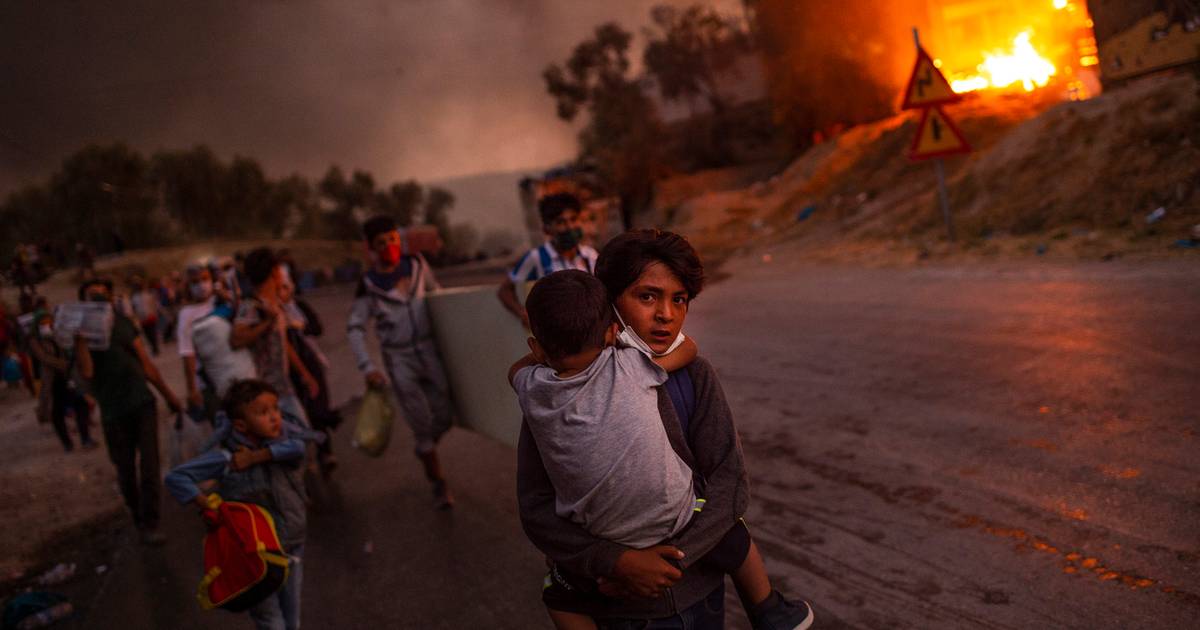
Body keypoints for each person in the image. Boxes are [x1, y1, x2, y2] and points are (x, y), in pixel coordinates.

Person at [517, 229, 814, 629]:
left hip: (701, 597)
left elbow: (728, 485)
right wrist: (617, 562)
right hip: (620, 614)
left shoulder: (694, 377)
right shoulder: (555, 401)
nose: (666, 315)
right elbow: (537, 509)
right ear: (608, 306)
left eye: (679, 300)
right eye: (647, 296)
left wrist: (667, 563)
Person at [165, 379, 313, 630]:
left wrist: (256, 457)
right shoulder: (227, 458)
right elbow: (176, 477)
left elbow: (299, 446)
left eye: (275, 409)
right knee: (271, 621)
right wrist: (206, 504)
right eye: (263, 413)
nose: (275, 418)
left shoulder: (284, 443)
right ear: (240, 424)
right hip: (254, 555)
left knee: (291, 617)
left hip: (291, 544)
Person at [347, 215, 456, 507]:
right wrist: (367, 367)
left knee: (445, 411)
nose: (389, 246)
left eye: (393, 239)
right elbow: (355, 328)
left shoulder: (418, 265)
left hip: (429, 349)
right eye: (381, 243)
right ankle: (438, 482)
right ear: (371, 248)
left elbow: (438, 298)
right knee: (419, 419)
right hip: (399, 357)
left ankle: (426, 447)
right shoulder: (369, 285)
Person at [76, 278, 183, 545]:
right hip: (113, 411)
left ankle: (151, 522)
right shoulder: (80, 337)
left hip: (141, 402)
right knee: (125, 469)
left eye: (102, 296)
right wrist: (80, 341)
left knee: (150, 463)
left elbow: (145, 363)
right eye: (92, 297)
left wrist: (168, 395)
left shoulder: (123, 324)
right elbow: (87, 372)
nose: (98, 302)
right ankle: (138, 514)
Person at [231, 248, 319, 429]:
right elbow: (237, 339)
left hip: (283, 386)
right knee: (298, 438)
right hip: (263, 390)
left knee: (299, 436)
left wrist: (304, 373)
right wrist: (267, 322)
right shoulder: (251, 306)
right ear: (274, 272)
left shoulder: (275, 304)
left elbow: (282, 342)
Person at [498, 192, 599, 327]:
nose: (569, 227)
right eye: (561, 222)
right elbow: (505, 290)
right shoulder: (537, 257)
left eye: (573, 219)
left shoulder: (590, 256)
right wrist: (523, 313)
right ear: (547, 228)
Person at [280, 276, 340, 475]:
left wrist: (300, 326)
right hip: (292, 370)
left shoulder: (299, 307)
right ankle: (310, 457)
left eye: (285, 287)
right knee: (301, 413)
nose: (282, 292)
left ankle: (326, 452)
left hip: (311, 361)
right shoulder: (276, 314)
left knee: (318, 407)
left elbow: (317, 328)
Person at [27, 309, 97, 452]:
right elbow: (43, 357)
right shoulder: (35, 340)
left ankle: (86, 439)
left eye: (49, 322)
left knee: (81, 405)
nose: (47, 325)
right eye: (43, 323)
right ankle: (67, 444)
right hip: (52, 381)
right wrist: (63, 364)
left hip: (70, 377)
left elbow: (71, 348)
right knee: (56, 412)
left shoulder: (60, 334)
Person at [177, 264, 224, 424]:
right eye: (195, 282)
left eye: (205, 279)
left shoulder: (221, 302)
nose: (201, 285)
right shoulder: (186, 314)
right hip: (207, 382)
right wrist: (192, 389)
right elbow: (187, 352)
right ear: (189, 287)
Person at [129, 275, 161, 356]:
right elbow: (133, 308)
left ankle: (155, 347)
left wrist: (155, 312)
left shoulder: (148, 294)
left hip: (150, 316)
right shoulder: (134, 297)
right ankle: (153, 346)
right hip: (142, 318)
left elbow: (154, 304)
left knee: (153, 332)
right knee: (147, 334)